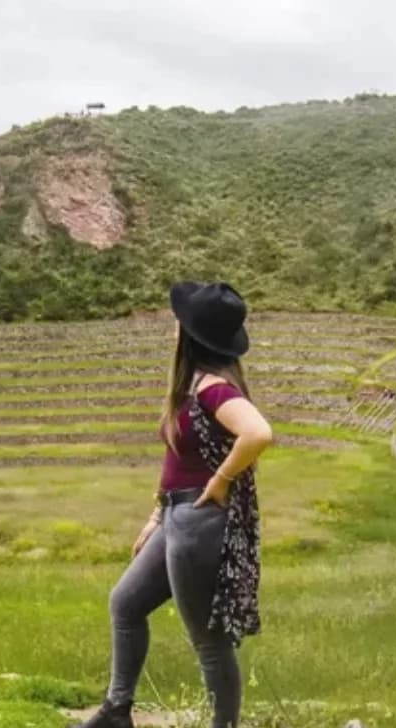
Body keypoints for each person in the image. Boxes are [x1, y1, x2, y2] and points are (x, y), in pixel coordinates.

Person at [76, 281, 275, 728]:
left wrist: (221, 481)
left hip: (199, 521)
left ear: (190, 336)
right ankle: (117, 710)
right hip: (176, 515)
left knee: (208, 642)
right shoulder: (194, 387)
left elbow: (258, 433)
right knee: (125, 604)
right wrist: (155, 516)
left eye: (178, 324)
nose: (172, 329)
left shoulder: (213, 389)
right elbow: (177, 459)